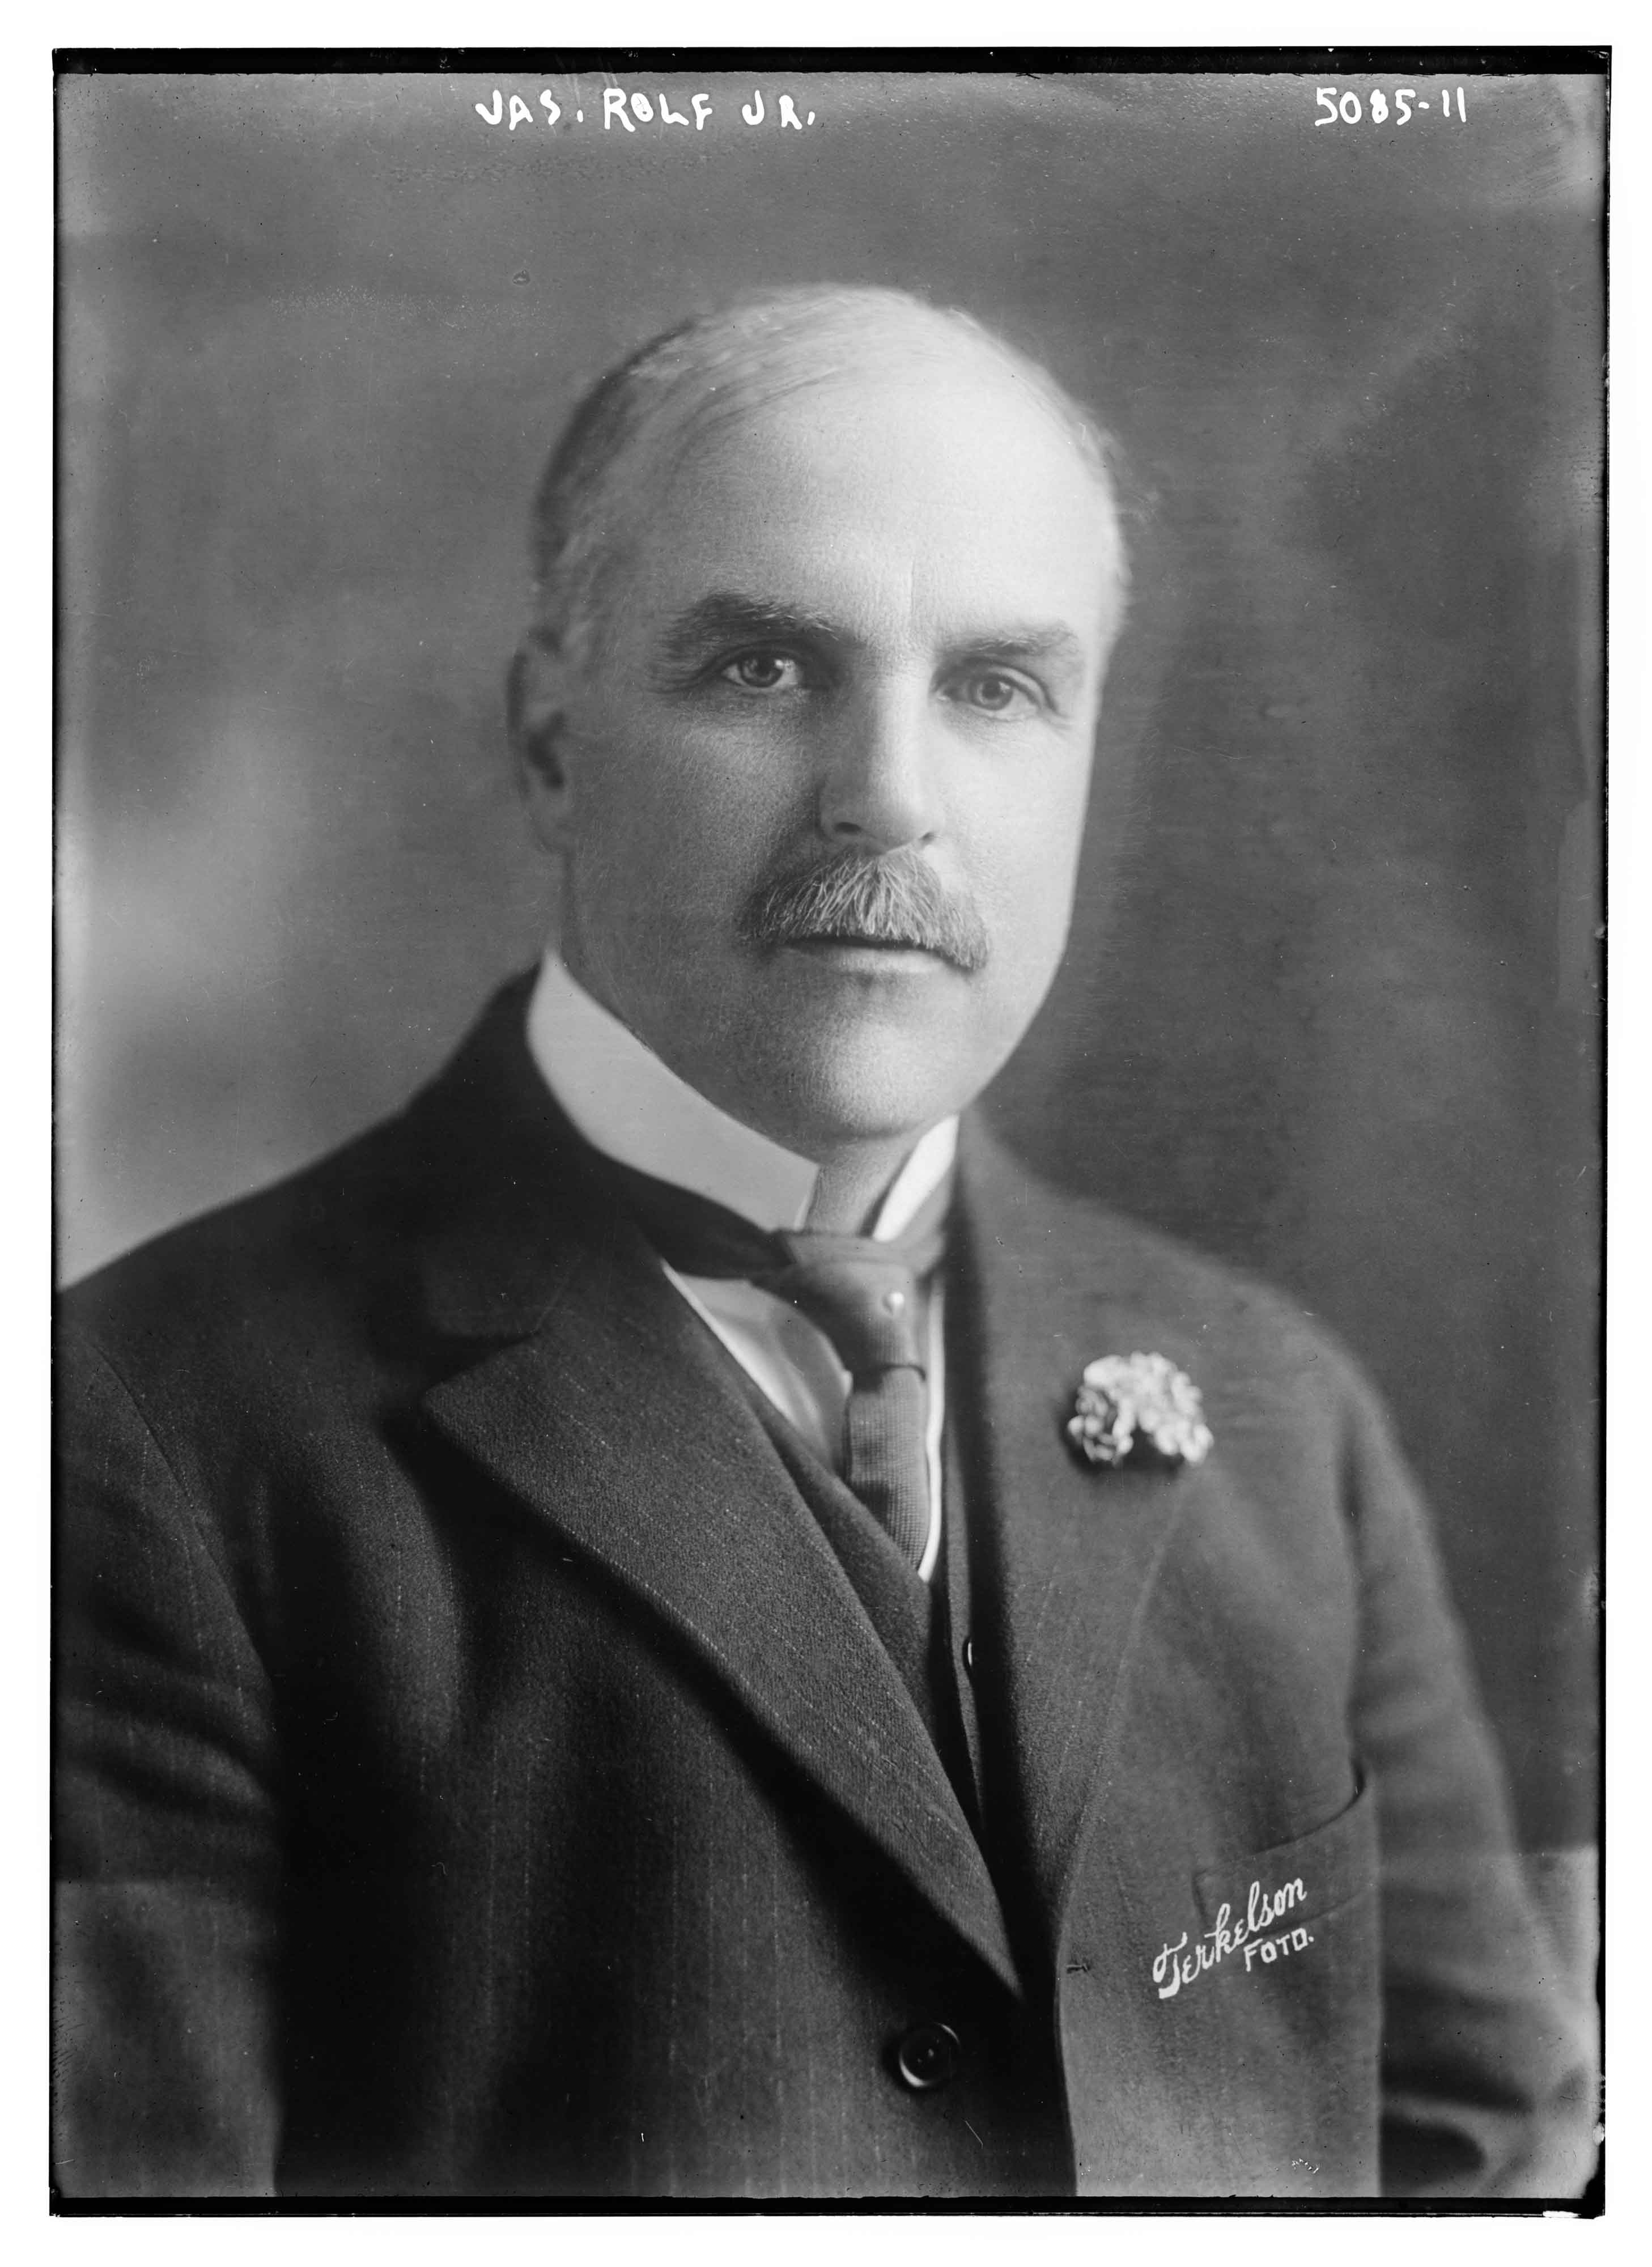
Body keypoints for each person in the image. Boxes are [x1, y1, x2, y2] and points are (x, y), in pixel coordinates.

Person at [54, 286, 1591, 2201]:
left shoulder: (1278, 1410)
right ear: (550, 741)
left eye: (998, 688)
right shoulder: (136, 1434)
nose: (890, 795)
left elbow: (1491, 2167)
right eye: (769, 670)